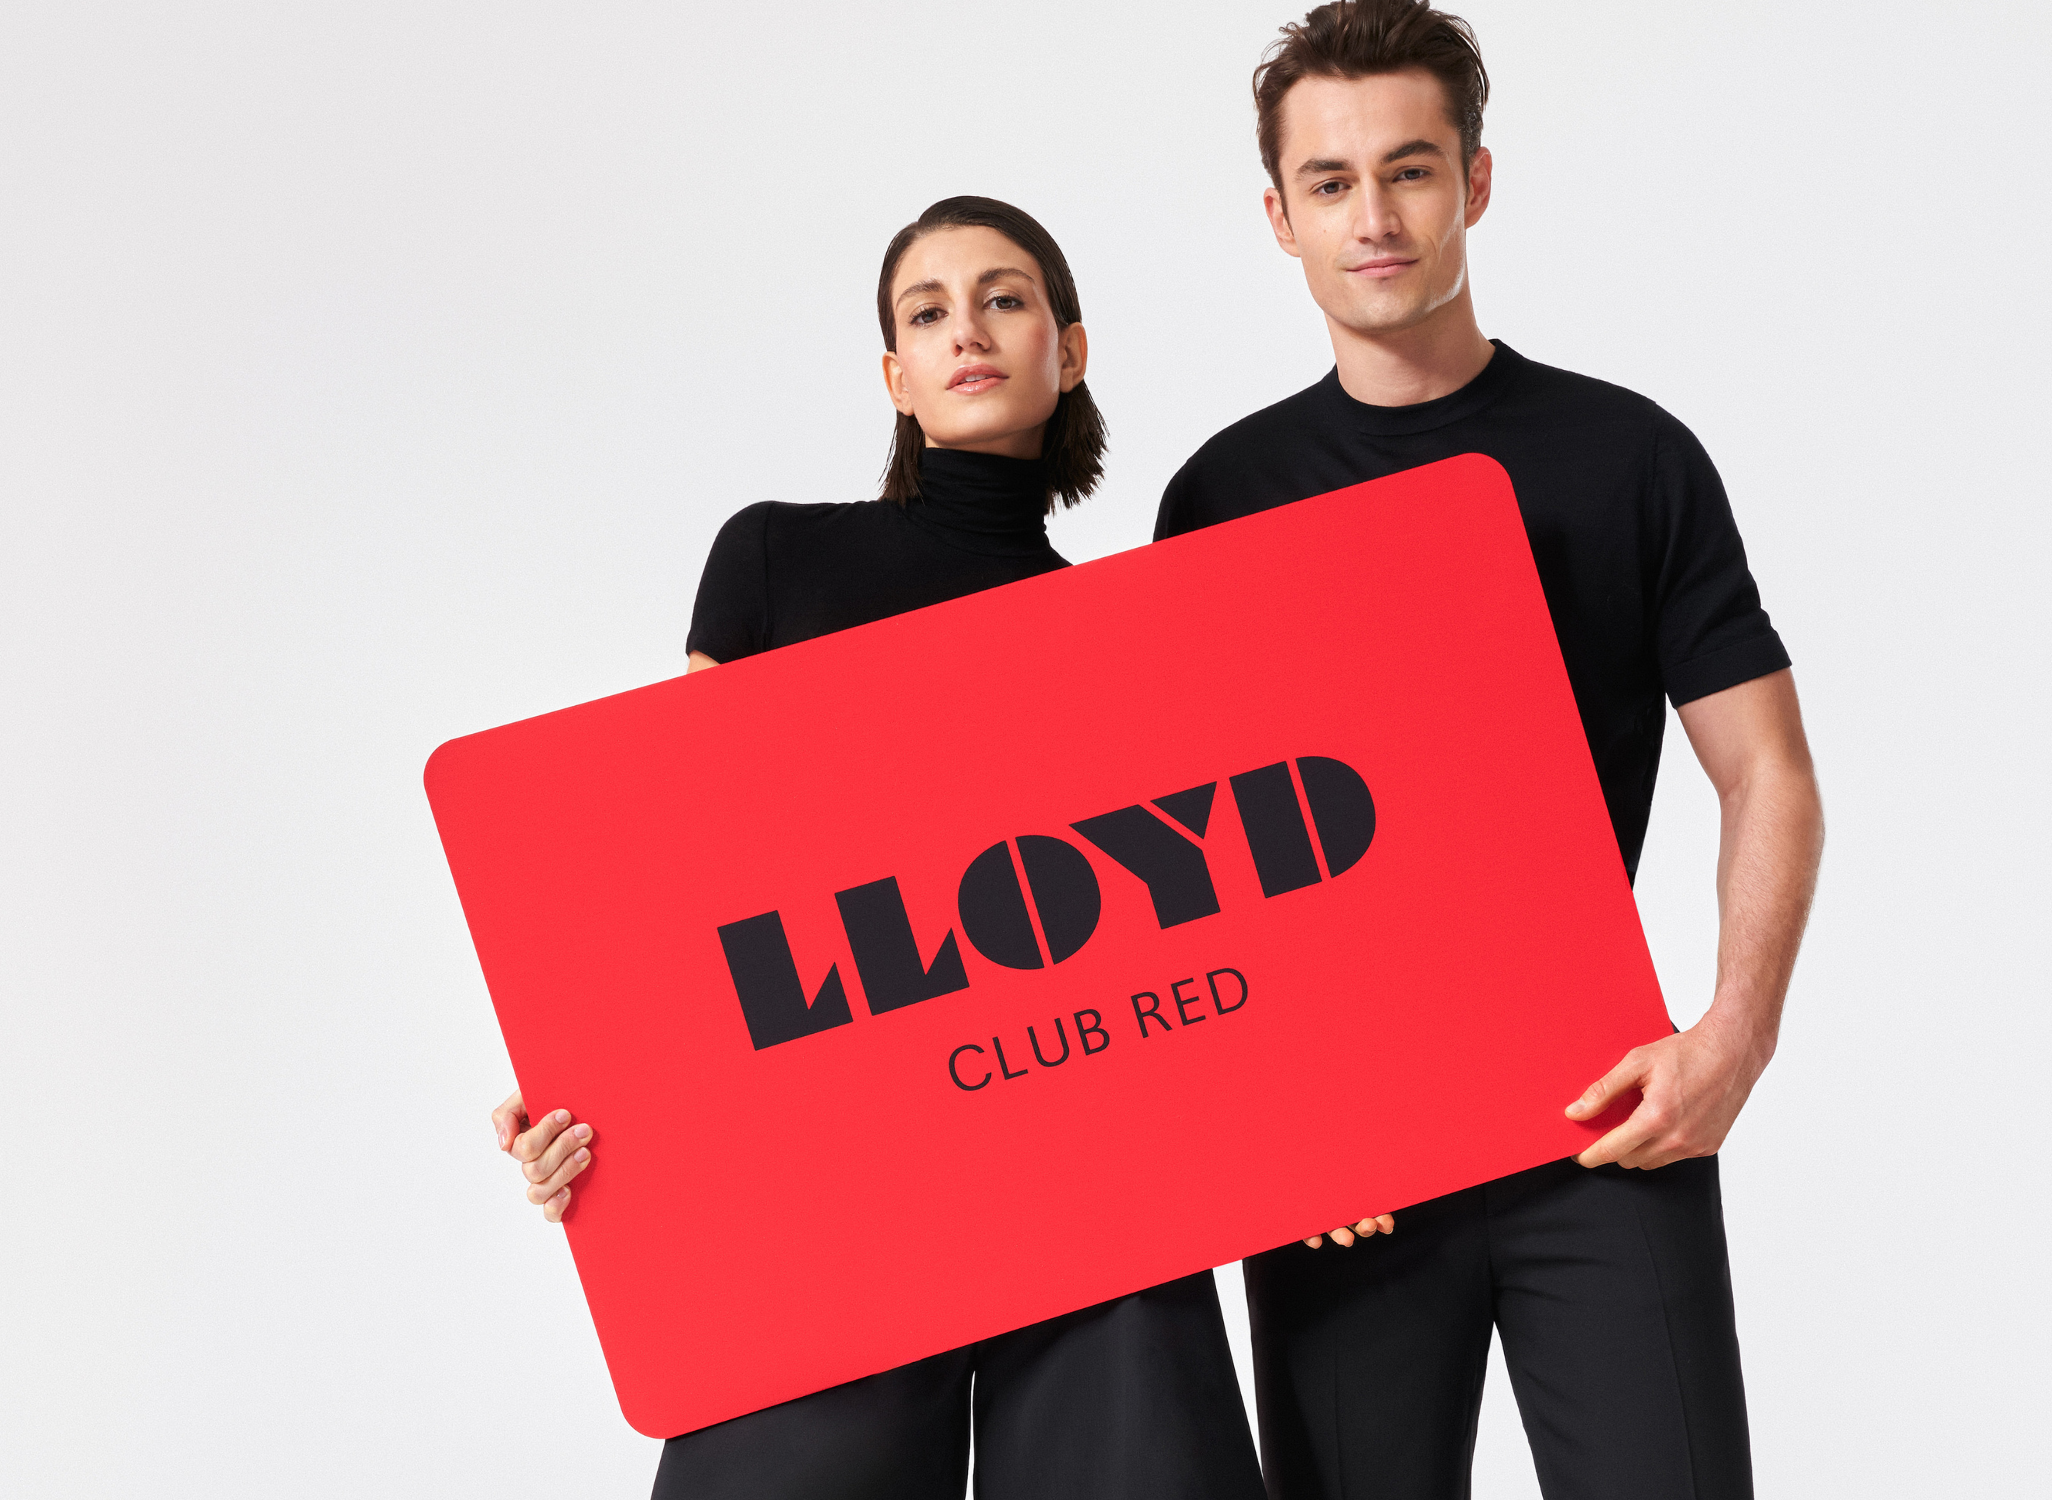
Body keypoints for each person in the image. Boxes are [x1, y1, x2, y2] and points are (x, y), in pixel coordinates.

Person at [490, 197, 1268, 1500]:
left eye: (1004, 299)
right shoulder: (777, 557)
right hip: (832, 1188)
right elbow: (675, 871)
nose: (969, 330)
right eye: (929, 311)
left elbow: (1181, 918)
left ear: (1070, 349)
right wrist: (580, 1077)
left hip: (1086, 1167)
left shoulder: (1128, 635)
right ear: (897, 376)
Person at [1154, 5, 1824, 1498]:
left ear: (1477, 181)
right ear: (1279, 217)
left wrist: (1734, 1039)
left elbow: (1765, 768)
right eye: (1331, 182)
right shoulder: (1221, 496)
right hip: (1349, 1160)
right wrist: (1267, 1123)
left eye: (1410, 169)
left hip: (1607, 1113)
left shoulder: (1630, 454)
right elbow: (1182, 853)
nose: (1375, 218)